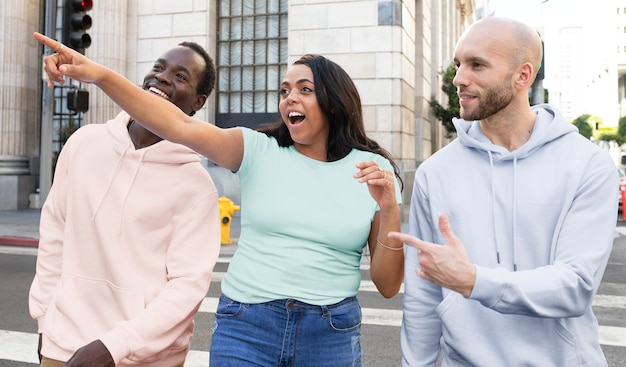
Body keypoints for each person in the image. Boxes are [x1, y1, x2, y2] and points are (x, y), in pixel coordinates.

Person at [33, 32, 405, 366]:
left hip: (330, 332)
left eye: (304, 89)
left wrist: (389, 209)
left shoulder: (373, 171)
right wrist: (99, 75)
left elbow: (388, 286)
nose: (290, 97)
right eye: (285, 90)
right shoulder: (258, 150)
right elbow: (178, 124)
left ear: (334, 101)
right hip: (247, 327)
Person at [387, 17, 619, 366]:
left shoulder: (588, 165)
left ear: (523, 75)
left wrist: (474, 281)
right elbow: (423, 297)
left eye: (477, 65)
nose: (458, 79)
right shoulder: (436, 172)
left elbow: (575, 287)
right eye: (458, 64)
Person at [28, 41, 221, 367]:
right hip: (63, 346)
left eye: (180, 76)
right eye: (158, 68)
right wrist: (46, 321)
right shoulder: (83, 144)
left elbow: (186, 290)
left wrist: (113, 346)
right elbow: (54, 236)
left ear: (198, 102)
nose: (161, 77)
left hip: (147, 358)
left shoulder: (197, 187)